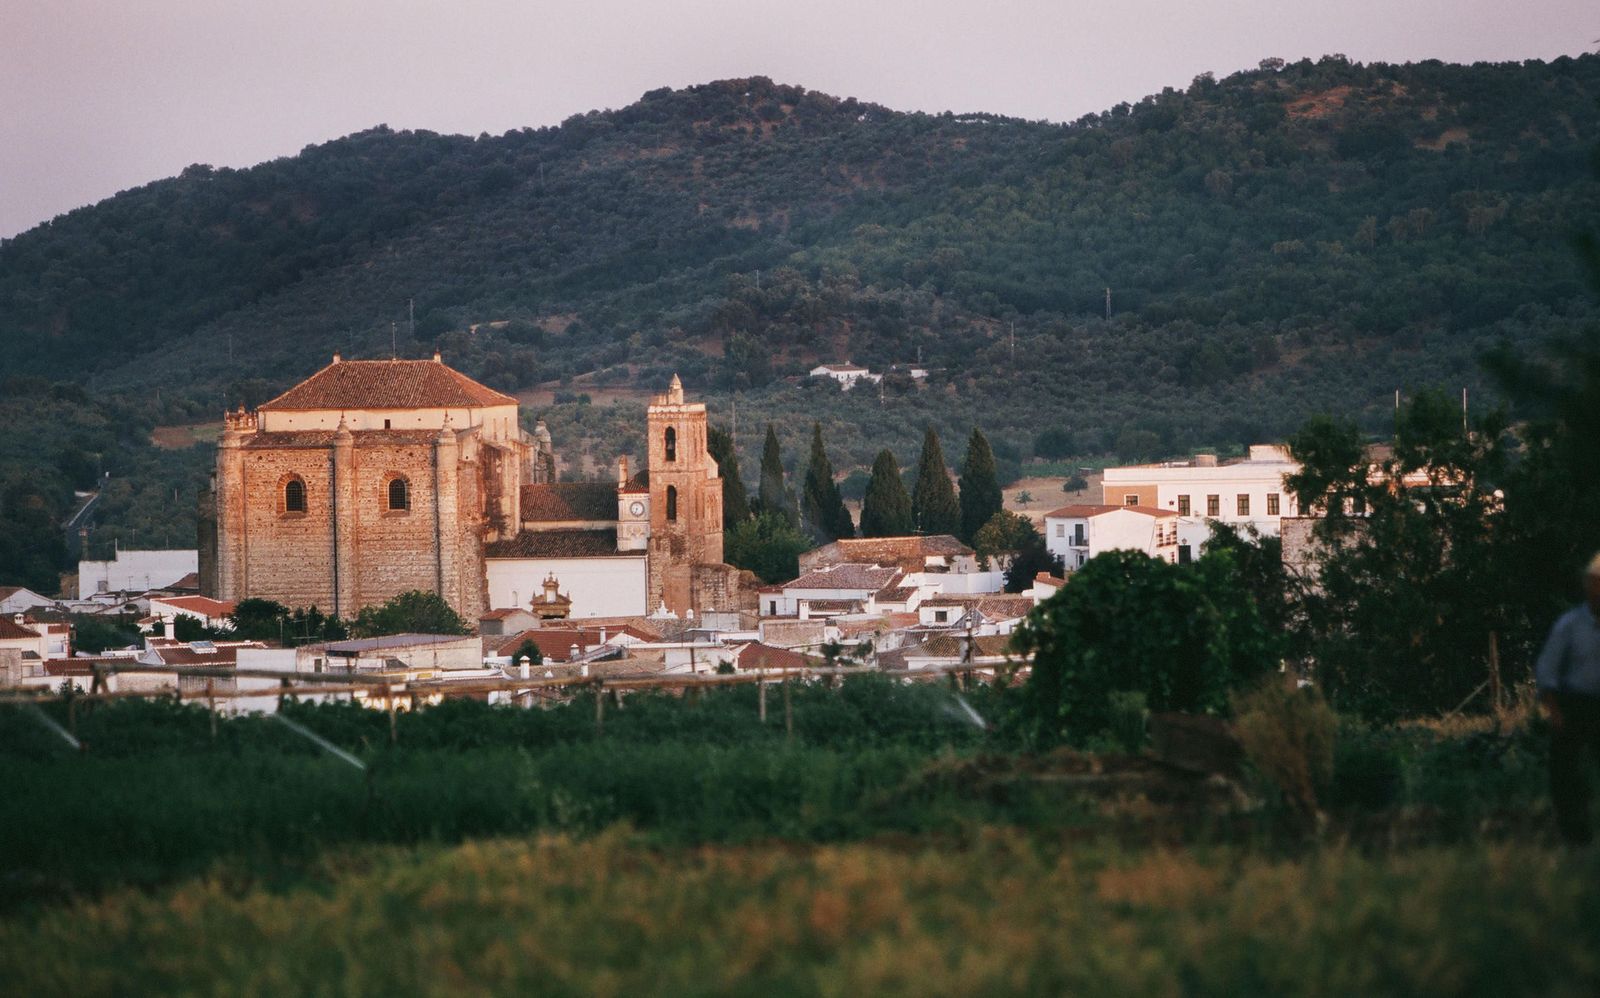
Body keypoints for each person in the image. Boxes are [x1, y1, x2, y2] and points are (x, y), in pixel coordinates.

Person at [1536, 552, 1600, 845]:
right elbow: (1547, 668)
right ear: (1587, 586)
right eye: (1595, 583)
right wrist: (1555, 710)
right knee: (1565, 771)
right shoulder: (1570, 624)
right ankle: (1575, 835)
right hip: (1576, 705)